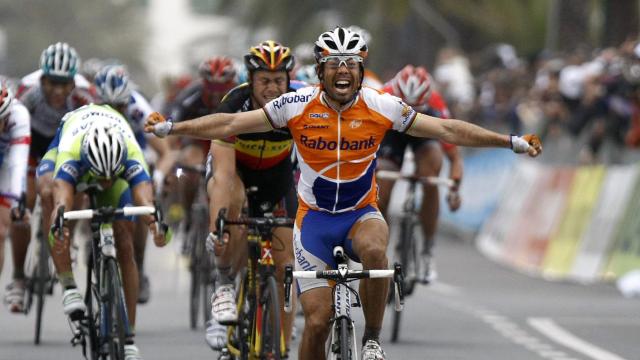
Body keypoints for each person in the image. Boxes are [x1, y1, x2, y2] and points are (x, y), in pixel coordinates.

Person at [145, 27, 542, 360]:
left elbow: (447, 130)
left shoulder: (381, 106)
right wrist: (173, 129)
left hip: (359, 212)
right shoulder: (295, 104)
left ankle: (371, 338)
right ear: (320, 70)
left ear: (360, 70)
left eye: (350, 64)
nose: (343, 71)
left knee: (375, 251)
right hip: (314, 222)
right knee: (315, 324)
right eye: (334, 64)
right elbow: (231, 121)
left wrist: (510, 141)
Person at [50, 104, 169, 360]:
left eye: (110, 177)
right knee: (58, 211)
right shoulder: (71, 152)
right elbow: (62, 199)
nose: (105, 182)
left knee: (125, 240)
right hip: (71, 143)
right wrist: (59, 223)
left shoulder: (130, 152)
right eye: (101, 177)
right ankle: (68, 285)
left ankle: (129, 338)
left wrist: (155, 224)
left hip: (115, 153)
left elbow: (145, 200)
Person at [203, 40, 298, 351]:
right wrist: (219, 227)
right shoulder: (234, 104)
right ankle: (225, 286)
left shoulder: (301, 104)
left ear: (288, 80)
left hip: (277, 176)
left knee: (286, 266)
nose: (272, 88)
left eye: (278, 80)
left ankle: (280, 347)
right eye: (264, 81)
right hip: (235, 170)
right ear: (251, 80)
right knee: (236, 207)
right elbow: (224, 177)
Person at [16, 42, 95, 312]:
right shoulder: (28, 93)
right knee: (23, 202)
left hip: (66, 146)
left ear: (74, 81)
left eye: (65, 83)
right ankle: (18, 278)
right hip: (34, 144)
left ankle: (67, 240)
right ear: (42, 79)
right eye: (52, 83)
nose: (59, 90)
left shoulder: (85, 95)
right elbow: (13, 129)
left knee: (75, 192)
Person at [93, 64, 176, 303]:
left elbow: (166, 152)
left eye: (120, 107)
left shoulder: (139, 108)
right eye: (107, 107)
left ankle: (137, 264)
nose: (115, 113)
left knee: (141, 204)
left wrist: (158, 178)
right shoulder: (86, 105)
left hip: (134, 152)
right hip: (99, 153)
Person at [377, 65, 464, 283]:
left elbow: (454, 157)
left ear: (427, 100)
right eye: (408, 106)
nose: (412, 110)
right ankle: (379, 248)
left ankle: (427, 249)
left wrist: (454, 189)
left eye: (418, 107)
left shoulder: (436, 103)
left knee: (431, 174)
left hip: (422, 133)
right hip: (391, 134)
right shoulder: (381, 97)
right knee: (381, 188)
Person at [168, 56, 237, 247]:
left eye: (221, 87)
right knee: (190, 167)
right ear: (203, 82)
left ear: (231, 83)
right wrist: (172, 157)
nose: (216, 93)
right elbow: (172, 130)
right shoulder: (191, 95)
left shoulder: (240, 94)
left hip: (228, 142)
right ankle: (188, 216)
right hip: (198, 141)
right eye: (211, 86)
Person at [0, 81, 32, 312]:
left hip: (5, 166)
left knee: (1, 230)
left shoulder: (19, 115)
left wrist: (18, 200)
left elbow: (18, 163)